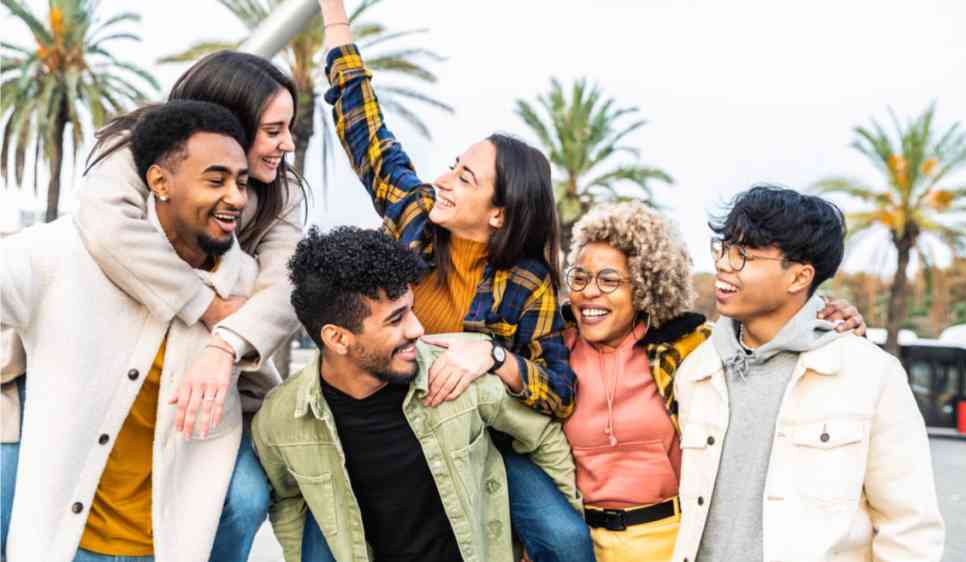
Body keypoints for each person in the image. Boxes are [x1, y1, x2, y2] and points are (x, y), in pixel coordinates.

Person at [0, 49, 303, 562]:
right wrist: (202, 306)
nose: (287, 144)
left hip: (206, 369)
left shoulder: (278, 198)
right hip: (47, 363)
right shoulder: (128, 160)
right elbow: (106, 229)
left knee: (242, 497)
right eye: (274, 129)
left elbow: (283, 288)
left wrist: (225, 344)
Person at [317, 1, 592, 559]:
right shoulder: (416, 216)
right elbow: (368, 135)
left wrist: (492, 356)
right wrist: (334, 19)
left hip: (477, 437)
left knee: (563, 538)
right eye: (452, 165)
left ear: (499, 214)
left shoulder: (529, 283)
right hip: (387, 418)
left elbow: (558, 391)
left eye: (464, 178)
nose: (442, 180)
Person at [252, 226, 581, 562]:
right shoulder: (281, 421)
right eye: (396, 319)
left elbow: (542, 437)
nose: (418, 329)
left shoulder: (459, 372)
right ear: (337, 339)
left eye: (411, 308)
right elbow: (287, 498)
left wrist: (553, 530)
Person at [561, 201, 866, 561]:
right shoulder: (549, 351)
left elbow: (771, 336)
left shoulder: (692, 349)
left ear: (646, 285)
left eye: (609, 280)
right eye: (579, 277)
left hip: (670, 543)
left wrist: (830, 314)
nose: (589, 292)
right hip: (573, 544)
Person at [671, 186, 945, 562]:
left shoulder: (871, 376)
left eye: (743, 255)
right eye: (723, 248)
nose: (722, 264)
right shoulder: (697, 371)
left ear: (799, 277)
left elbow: (910, 529)